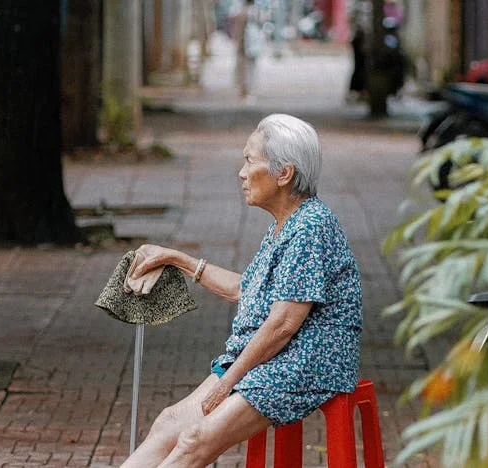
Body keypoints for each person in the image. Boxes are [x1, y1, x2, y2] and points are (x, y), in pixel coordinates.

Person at [120, 114, 363, 467]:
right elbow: (246, 289)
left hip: (305, 362)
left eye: (250, 160)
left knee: (195, 439)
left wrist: (228, 381)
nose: (242, 172)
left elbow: (283, 324)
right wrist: (178, 260)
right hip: (270, 359)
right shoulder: (286, 224)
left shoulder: (312, 226)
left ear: (284, 173)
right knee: (170, 423)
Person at [230, 0, 263, 100]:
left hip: (245, 46)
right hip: (253, 46)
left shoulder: (243, 13)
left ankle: (245, 91)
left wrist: (238, 44)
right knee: (251, 69)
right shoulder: (256, 12)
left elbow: (239, 32)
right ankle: (249, 90)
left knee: (244, 70)